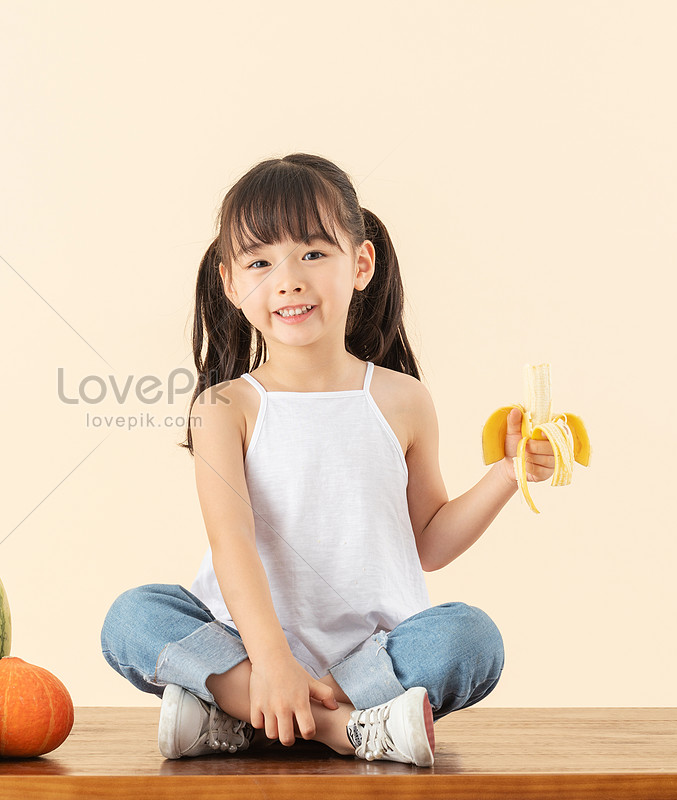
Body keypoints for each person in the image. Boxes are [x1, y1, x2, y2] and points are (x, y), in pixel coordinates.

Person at [101, 153, 546, 767]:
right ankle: (344, 729)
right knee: (133, 617)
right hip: (251, 652)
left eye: (312, 253)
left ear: (360, 264)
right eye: (260, 262)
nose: (287, 280)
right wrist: (273, 662)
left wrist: (506, 473)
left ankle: (248, 717)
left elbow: (428, 544)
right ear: (232, 285)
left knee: (471, 638)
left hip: (372, 660)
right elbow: (232, 547)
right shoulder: (226, 407)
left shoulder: (404, 400)